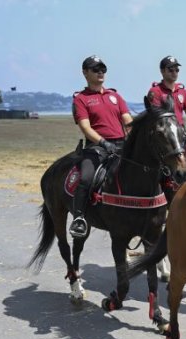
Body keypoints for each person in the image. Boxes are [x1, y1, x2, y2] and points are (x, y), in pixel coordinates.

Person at [69, 55, 133, 238]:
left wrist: (132, 134)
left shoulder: (115, 96)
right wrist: (103, 142)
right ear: (85, 73)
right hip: (96, 148)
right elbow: (85, 127)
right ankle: (79, 218)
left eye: (103, 69)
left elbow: (127, 120)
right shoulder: (81, 99)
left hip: (121, 145)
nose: (100, 73)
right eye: (95, 69)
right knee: (86, 179)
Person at [146, 56, 186, 138]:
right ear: (162, 71)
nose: (174, 73)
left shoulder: (183, 92)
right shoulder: (155, 92)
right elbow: (155, 118)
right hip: (163, 136)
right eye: (171, 70)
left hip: (181, 133)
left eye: (177, 70)